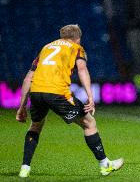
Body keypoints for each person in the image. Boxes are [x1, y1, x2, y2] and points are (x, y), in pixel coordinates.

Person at [16, 24, 124, 178]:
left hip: (36, 91)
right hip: (58, 93)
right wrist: (90, 97)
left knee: (35, 125)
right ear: (78, 38)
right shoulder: (76, 47)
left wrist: (21, 106)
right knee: (89, 123)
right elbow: (82, 69)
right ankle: (105, 164)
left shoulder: (46, 48)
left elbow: (28, 78)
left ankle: (25, 168)